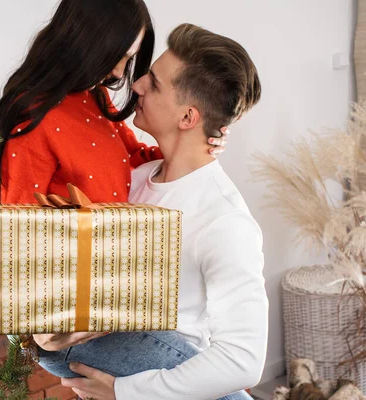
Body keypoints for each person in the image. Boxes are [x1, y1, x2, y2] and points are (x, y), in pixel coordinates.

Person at [54, 23, 268, 400]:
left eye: (153, 82)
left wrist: (126, 391)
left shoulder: (223, 219)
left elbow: (242, 360)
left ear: (188, 118)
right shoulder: (129, 179)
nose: (136, 86)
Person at [0, 0, 228, 206]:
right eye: (116, 57)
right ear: (84, 43)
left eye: (128, 59)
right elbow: (17, 220)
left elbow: (133, 157)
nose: (120, 73)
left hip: (110, 259)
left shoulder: (96, 98)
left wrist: (196, 143)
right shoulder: (34, 113)